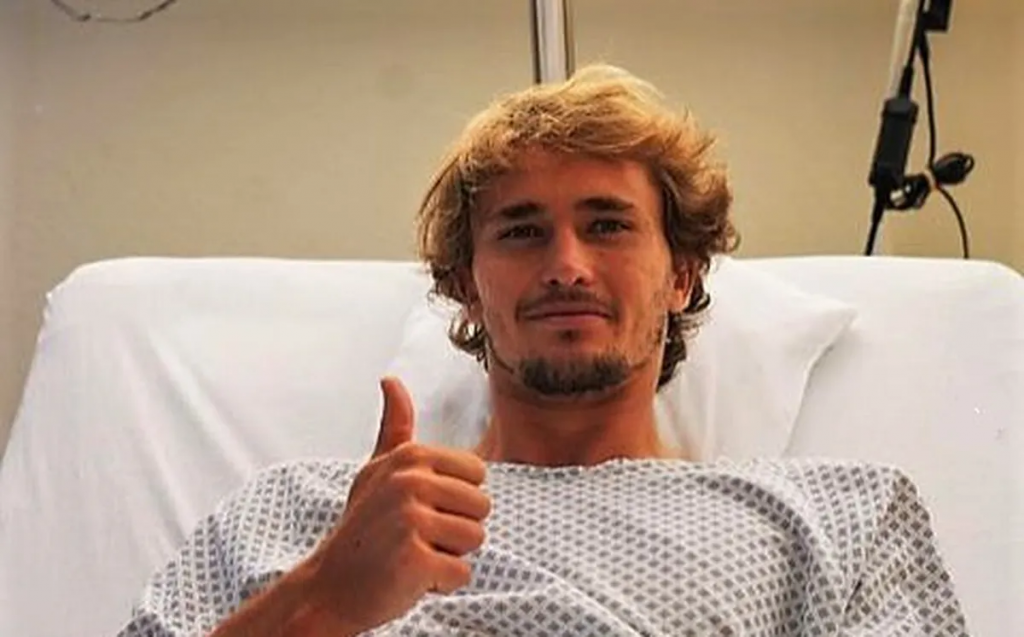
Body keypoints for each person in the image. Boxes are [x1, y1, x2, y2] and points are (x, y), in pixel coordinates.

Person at [116, 65, 969, 636]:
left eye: (608, 225)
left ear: (682, 274)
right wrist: (320, 600)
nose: (566, 266)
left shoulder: (838, 520)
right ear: (465, 284)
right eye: (522, 231)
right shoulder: (297, 515)